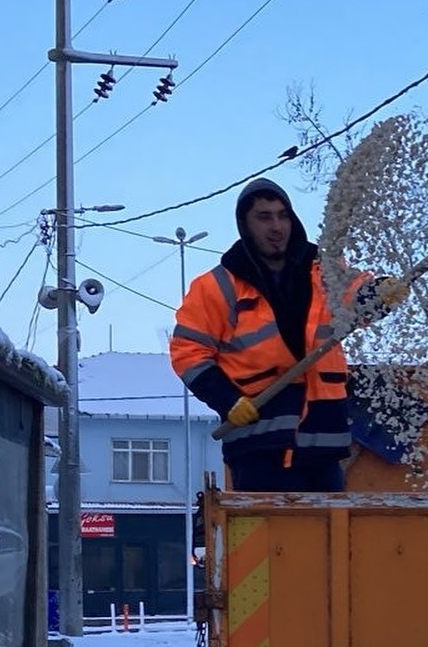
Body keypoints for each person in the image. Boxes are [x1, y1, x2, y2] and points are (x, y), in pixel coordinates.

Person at [169, 177, 407, 492]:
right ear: (245, 223)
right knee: (271, 542)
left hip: (323, 445)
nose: (277, 226)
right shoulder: (216, 287)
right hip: (258, 446)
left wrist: (379, 292)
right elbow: (189, 352)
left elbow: (353, 294)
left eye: (283, 216)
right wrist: (228, 400)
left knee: (325, 539)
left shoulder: (323, 270)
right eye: (264, 217)